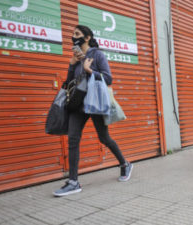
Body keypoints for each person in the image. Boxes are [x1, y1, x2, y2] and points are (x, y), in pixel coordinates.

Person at [53, 25, 133, 197]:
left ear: (87, 37)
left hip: (95, 102)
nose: (73, 37)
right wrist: (71, 65)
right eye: (73, 34)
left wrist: (90, 71)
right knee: (73, 139)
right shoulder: (75, 57)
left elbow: (109, 78)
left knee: (104, 138)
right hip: (77, 104)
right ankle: (73, 182)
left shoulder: (97, 55)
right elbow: (69, 83)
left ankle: (125, 164)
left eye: (77, 34)